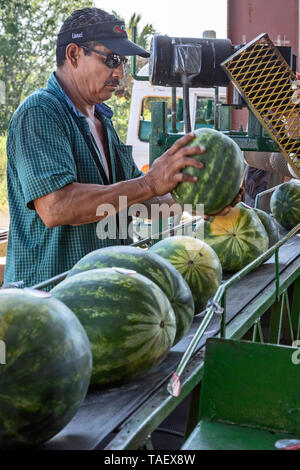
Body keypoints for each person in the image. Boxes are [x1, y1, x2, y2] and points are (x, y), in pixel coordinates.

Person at [4, 7, 241, 289]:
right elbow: (57, 207)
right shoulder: (40, 113)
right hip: (46, 303)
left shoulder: (102, 121)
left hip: (98, 295)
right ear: (73, 54)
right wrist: (150, 182)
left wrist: (205, 202)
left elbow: (142, 202)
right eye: (112, 59)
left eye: (123, 63)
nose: (120, 71)